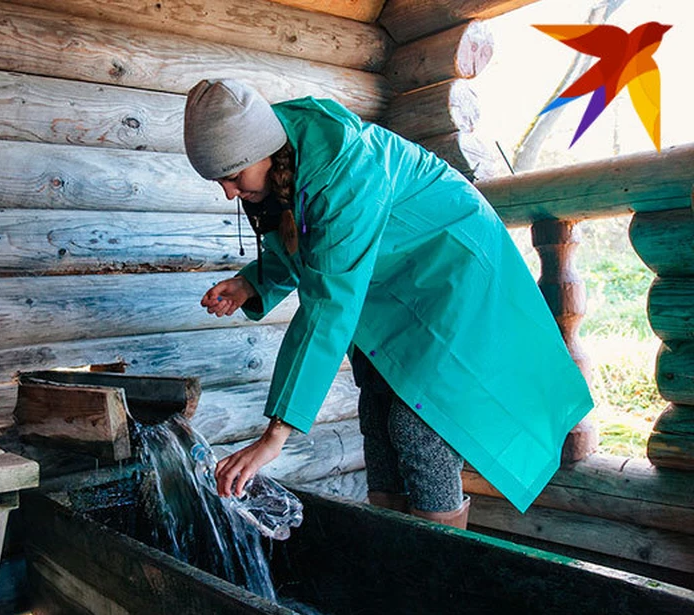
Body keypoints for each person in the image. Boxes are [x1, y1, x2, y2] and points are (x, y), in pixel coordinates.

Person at [184, 79, 593, 527]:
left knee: (418, 424)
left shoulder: (344, 171)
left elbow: (328, 306)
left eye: (233, 177)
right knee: (378, 416)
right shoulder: (278, 157)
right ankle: (396, 565)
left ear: (262, 152)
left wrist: (275, 434)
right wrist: (251, 284)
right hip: (397, 282)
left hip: (456, 273)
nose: (227, 192)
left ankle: (438, 574)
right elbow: (305, 239)